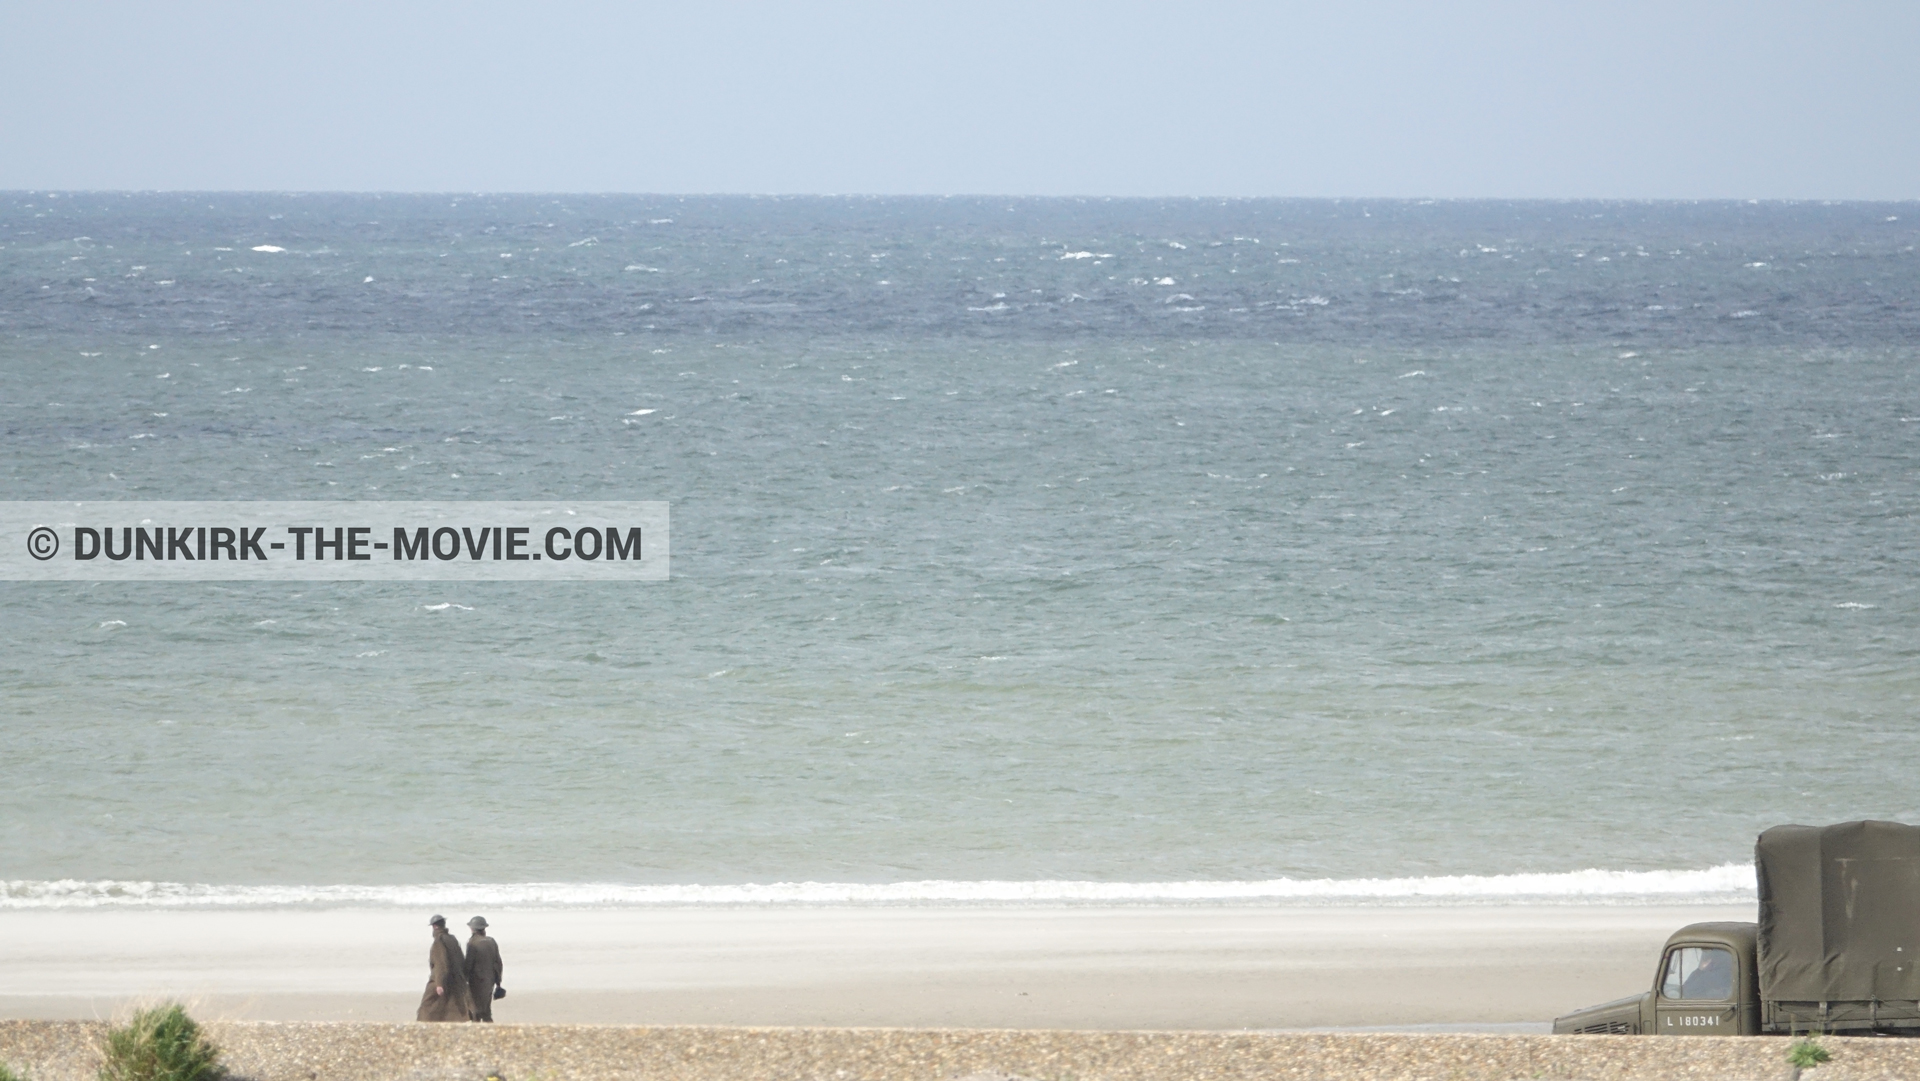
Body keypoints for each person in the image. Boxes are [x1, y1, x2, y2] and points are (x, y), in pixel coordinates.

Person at [416, 914, 474, 1021]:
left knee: (427, 1006)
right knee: (454, 1006)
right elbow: (460, 959)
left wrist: (439, 984)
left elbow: (441, 964)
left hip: (441, 979)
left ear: (434, 927)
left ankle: (423, 1026)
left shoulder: (439, 941)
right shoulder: (451, 939)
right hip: (456, 979)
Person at [464, 916, 505, 1022]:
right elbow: (498, 963)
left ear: (472, 929)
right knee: (486, 1009)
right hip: (489, 981)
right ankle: (489, 1030)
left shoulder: (472, 943)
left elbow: (469, 964)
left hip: (475, 982)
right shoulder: (491, 941)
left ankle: (478, 1032)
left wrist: (464, 979)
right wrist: (498, 981)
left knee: (475, 1010)